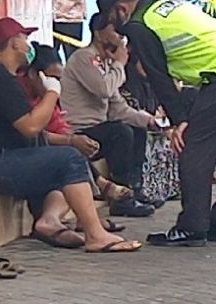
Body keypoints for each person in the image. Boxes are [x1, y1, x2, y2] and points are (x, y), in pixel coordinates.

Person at [97, 0, 216, 247]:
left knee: (194, 146)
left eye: (111, 21)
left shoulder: (139, 24)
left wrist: (179, 122)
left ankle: (192, 226)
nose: (115, 29)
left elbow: (158, 76)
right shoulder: (162, 6)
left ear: (120, 8)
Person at [0, 17, 141, 253]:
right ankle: (95, 234)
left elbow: (33, 130)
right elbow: (31, 127)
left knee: (63, 165)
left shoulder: (1, 76)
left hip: (0, 160)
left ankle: (49, 221)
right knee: (69, 159)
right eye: (25, 39)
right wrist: (53, 92)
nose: (28, 45)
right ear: (14, 43)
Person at [60, 13, 158, 217]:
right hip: (80, 131)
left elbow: (118, 107)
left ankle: (135, 187)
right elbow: (103, 89)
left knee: (135, 129)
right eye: (114, 31)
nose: (119, 37)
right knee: (120, 132)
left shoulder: (106, 64)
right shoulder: (84, 58)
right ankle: (121, 197)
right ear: (98, 33)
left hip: (100, 128)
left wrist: (147, 120)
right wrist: (120, 63)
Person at [16, 42, 133, 203]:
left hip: (56, 139)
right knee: (69, 154)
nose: (56, 84)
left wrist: (74, 139)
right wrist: (70, 140)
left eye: (58, 79)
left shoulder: (44, 95)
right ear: (33, 74)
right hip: (22, 150)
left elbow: (56, 125)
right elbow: (33, 130)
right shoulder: (20, 94)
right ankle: (101, 186)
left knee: (124, 131)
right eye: (52, 78)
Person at [120, 56, 180, 203]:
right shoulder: (127, 82)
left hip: (156, 126)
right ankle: (143, 189)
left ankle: (167, 188)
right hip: (136, 124)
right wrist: (159, 123)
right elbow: (130, 111)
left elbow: (165, 111)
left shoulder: (153, 83)